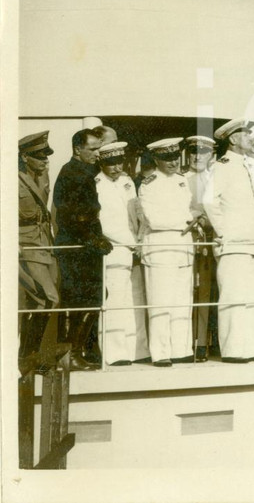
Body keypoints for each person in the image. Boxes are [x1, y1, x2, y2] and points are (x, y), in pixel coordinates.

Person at [202, 119, 254, 363]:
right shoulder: (223, 166)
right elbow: (209, 201)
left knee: (253, 298)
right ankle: (233, 350)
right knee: (234, 297)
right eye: (245, 134)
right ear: (232, 139)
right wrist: (223, 232)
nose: (250, 138)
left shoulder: (250, 166)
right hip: (234, 243)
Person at [53, 128, 111, 370]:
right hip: (78, 247)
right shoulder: (75, 174)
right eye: (93, 149)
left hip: (80, 245)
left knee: (89, 297)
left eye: (99, 148)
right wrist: (94, 239)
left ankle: (74, 352)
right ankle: (72, 353)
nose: (98, 154)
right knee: (85, 298)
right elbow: (75, 214)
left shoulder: (81, 171)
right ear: (78, 149)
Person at [138, 138, 196, 366]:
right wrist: (189, 218)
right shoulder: (149, 184)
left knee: (182, 301)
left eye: (175, 157)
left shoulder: (182, 181)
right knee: (160, 302)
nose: (172, 162)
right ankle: (161, 352)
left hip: (183, 247)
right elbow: (155, 219)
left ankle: (181, 349)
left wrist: (191, 217)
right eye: (166, 158)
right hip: (161, 247)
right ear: (156, 159)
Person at [94, 141, 149, 366]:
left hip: (133, 247)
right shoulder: (97, 184)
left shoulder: (127, 182)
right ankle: (115, 352)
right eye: (111, 164)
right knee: (116, 300)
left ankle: (137, 349)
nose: (116, 168)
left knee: (134, 299)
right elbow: (104, 222)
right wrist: (130, 242)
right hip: (114, 248)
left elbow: (137, 212)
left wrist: (140, 238)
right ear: (102, 163)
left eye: (119, 162)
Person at [17, 132, 60, 370]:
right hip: (25, 245)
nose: (45, 161)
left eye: (46, 156)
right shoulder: (12, 179)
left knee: (44, 302)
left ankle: (34, 356)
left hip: (45, 244)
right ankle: (29, 355)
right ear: (25, 157)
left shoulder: (43, 176)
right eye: (38, 156)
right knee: (48, 297)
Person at [184, 135, 217, 361]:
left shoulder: (216, 178)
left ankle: (209, 341)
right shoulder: (181, 179)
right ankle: (195, 342)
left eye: (203, 152)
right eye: (193, 151)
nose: (197, 156)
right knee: (193, 292)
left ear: (211, 155)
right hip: (191, 239)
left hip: (214, 239)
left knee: (213, 292)